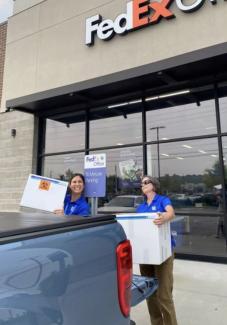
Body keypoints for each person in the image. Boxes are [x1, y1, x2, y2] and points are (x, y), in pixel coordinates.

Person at [136, 175, 178, 325]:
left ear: (153, 185)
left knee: (164, 294)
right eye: (141, 184)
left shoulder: (162, 200)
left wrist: (165, 217)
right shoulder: (140, 207)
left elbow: (170, 212)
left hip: (164, 253)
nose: (143, 185)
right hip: (146, 254)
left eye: (146, 182)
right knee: (150, 292)